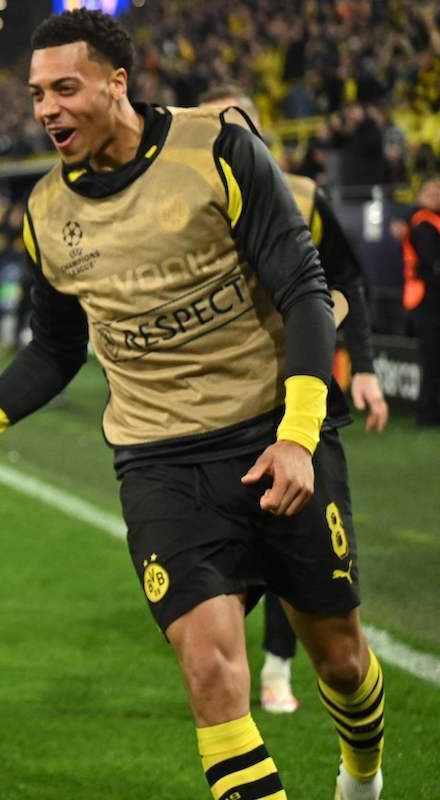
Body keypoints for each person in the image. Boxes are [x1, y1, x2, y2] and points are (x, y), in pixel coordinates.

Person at [0, 11, 385, 799]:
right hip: (159, 460)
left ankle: (361, 774)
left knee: (342, 659)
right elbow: (54, 351)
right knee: (212, 668)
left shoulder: (218, 150)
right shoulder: (46, 213)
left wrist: (298, 436)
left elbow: (304, 288)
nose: (47, 109)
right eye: (36, 94)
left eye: (65, 88)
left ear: (118, 83)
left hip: (273, 432)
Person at [201, 85, 390, 716]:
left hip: (296, 400)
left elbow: (347, 281)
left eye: (245, 124)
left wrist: (362, 367)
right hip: (207, 413)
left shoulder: (304, 196)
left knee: (292, 531)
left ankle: (277, 667)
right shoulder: (181, 202)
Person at [402, 174, 440, 426]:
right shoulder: (421, 224)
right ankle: (427, 414)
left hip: (431, 299)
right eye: (431, 191)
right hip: (425, 301)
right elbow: (433, 264)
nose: (436, 195)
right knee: (433, 359)